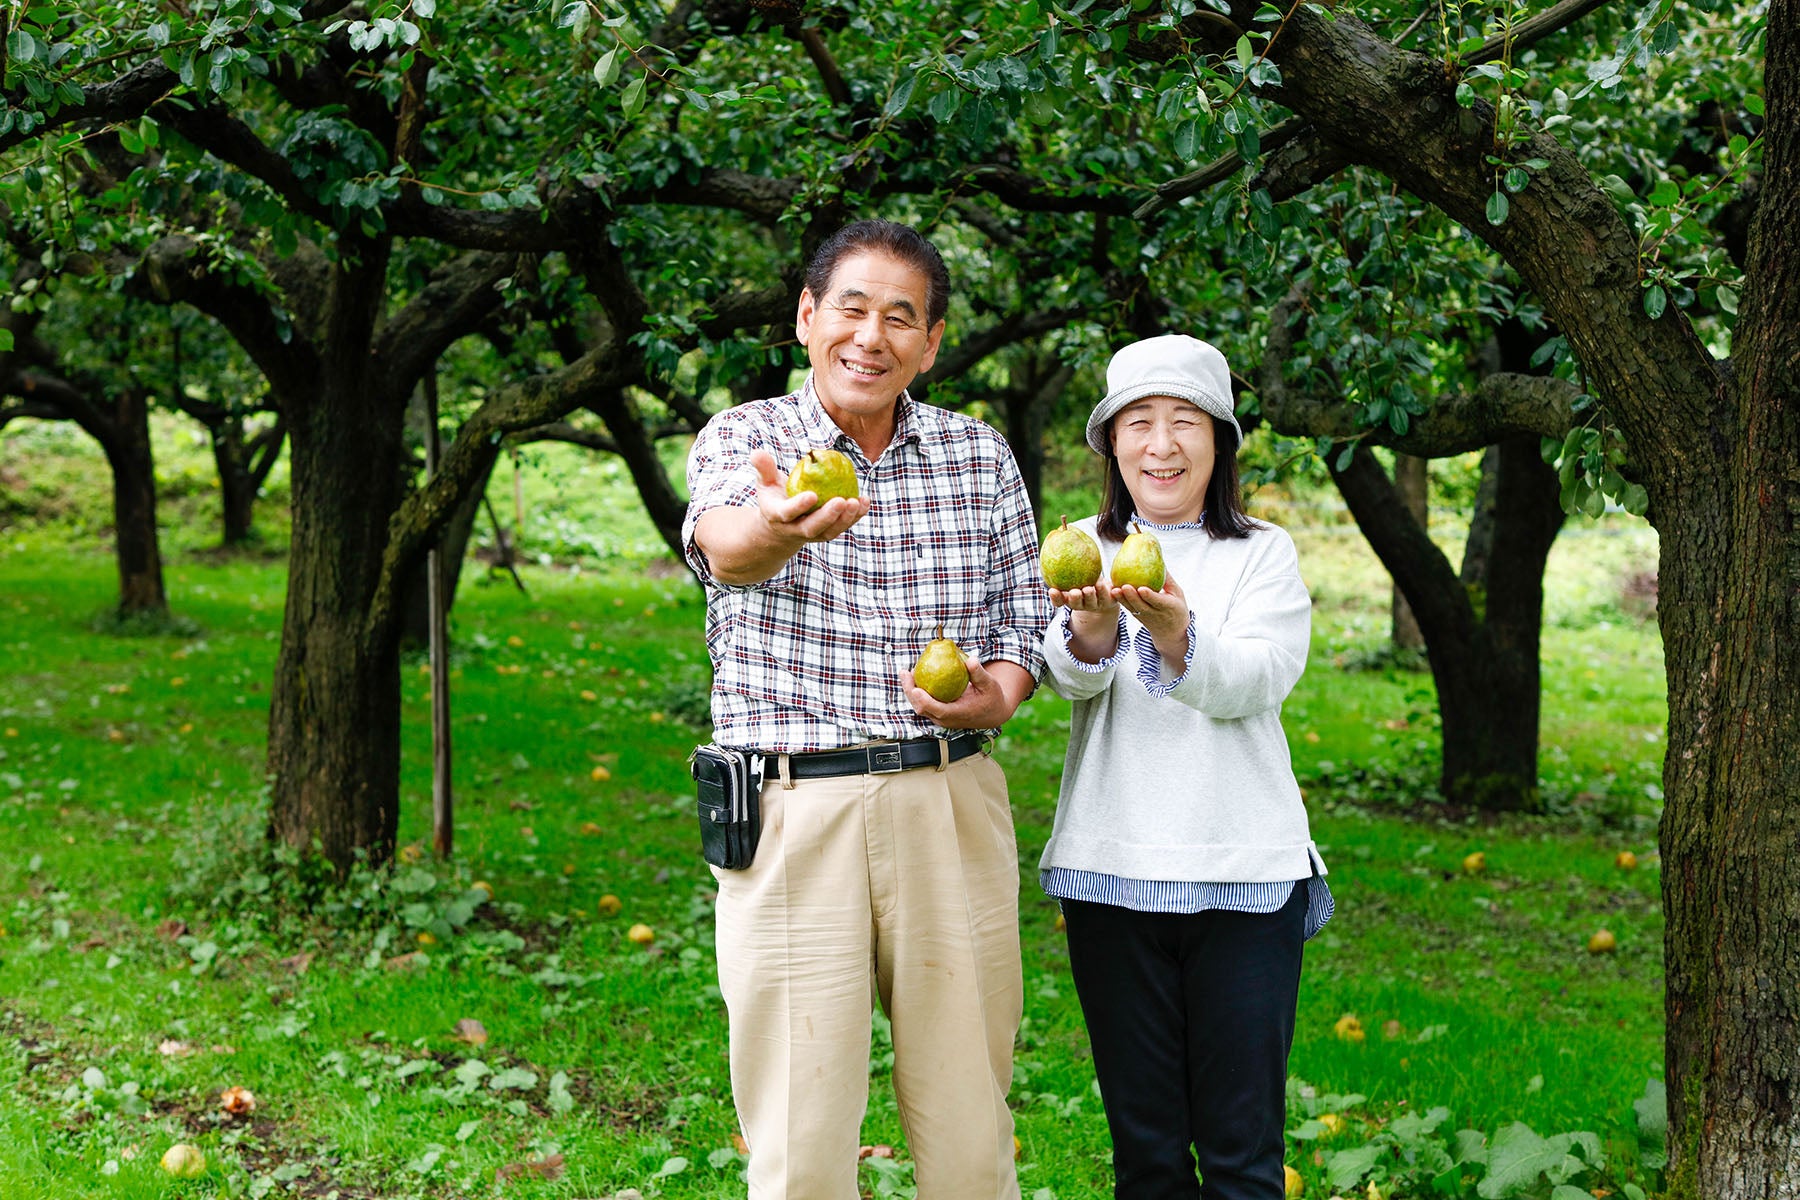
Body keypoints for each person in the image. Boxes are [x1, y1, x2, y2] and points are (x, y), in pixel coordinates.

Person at [682, 218, 1050, 1200]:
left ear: (931, 344)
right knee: (801, 1144)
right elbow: (727, 546)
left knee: (972, 1129)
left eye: (902, 317)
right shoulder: (749, 440)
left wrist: (995, 695)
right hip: (798, 813)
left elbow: (1022, 619)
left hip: (949, 802)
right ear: (808, 318)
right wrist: (781, 522)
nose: (871, 337)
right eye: (852, 308)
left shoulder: (979, 458)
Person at [1036, 334, 1333, 1200]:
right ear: (1111, 443)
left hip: (1242, 873)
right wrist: (1093, 632)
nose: (1161, 445)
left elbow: (1259, 677)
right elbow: (1065, 676)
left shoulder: (1262, 553)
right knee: (1148, 1156)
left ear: (1220, 442)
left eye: (1184, 423)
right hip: (1111, 872)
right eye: (1138, 423)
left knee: (1243, 1157)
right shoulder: (1079, 549)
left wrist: (1175, 633)